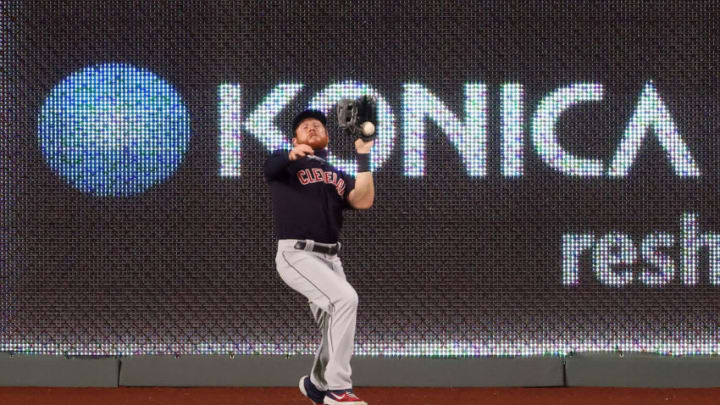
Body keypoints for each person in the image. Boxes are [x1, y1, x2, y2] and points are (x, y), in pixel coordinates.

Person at [264, 109, 375, 405]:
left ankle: (316, 384)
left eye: (317, 125)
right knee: (346, 300)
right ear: (294, 138)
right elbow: (269, 168)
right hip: (296, 254)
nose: (312, 128)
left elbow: (362, 200)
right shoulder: (285, 163)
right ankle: (339, 389)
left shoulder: (336, 173)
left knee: (334, 323)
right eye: (304, 126)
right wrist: (291, 155)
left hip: (330, 260)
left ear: (327, 137)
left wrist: (363, 156)